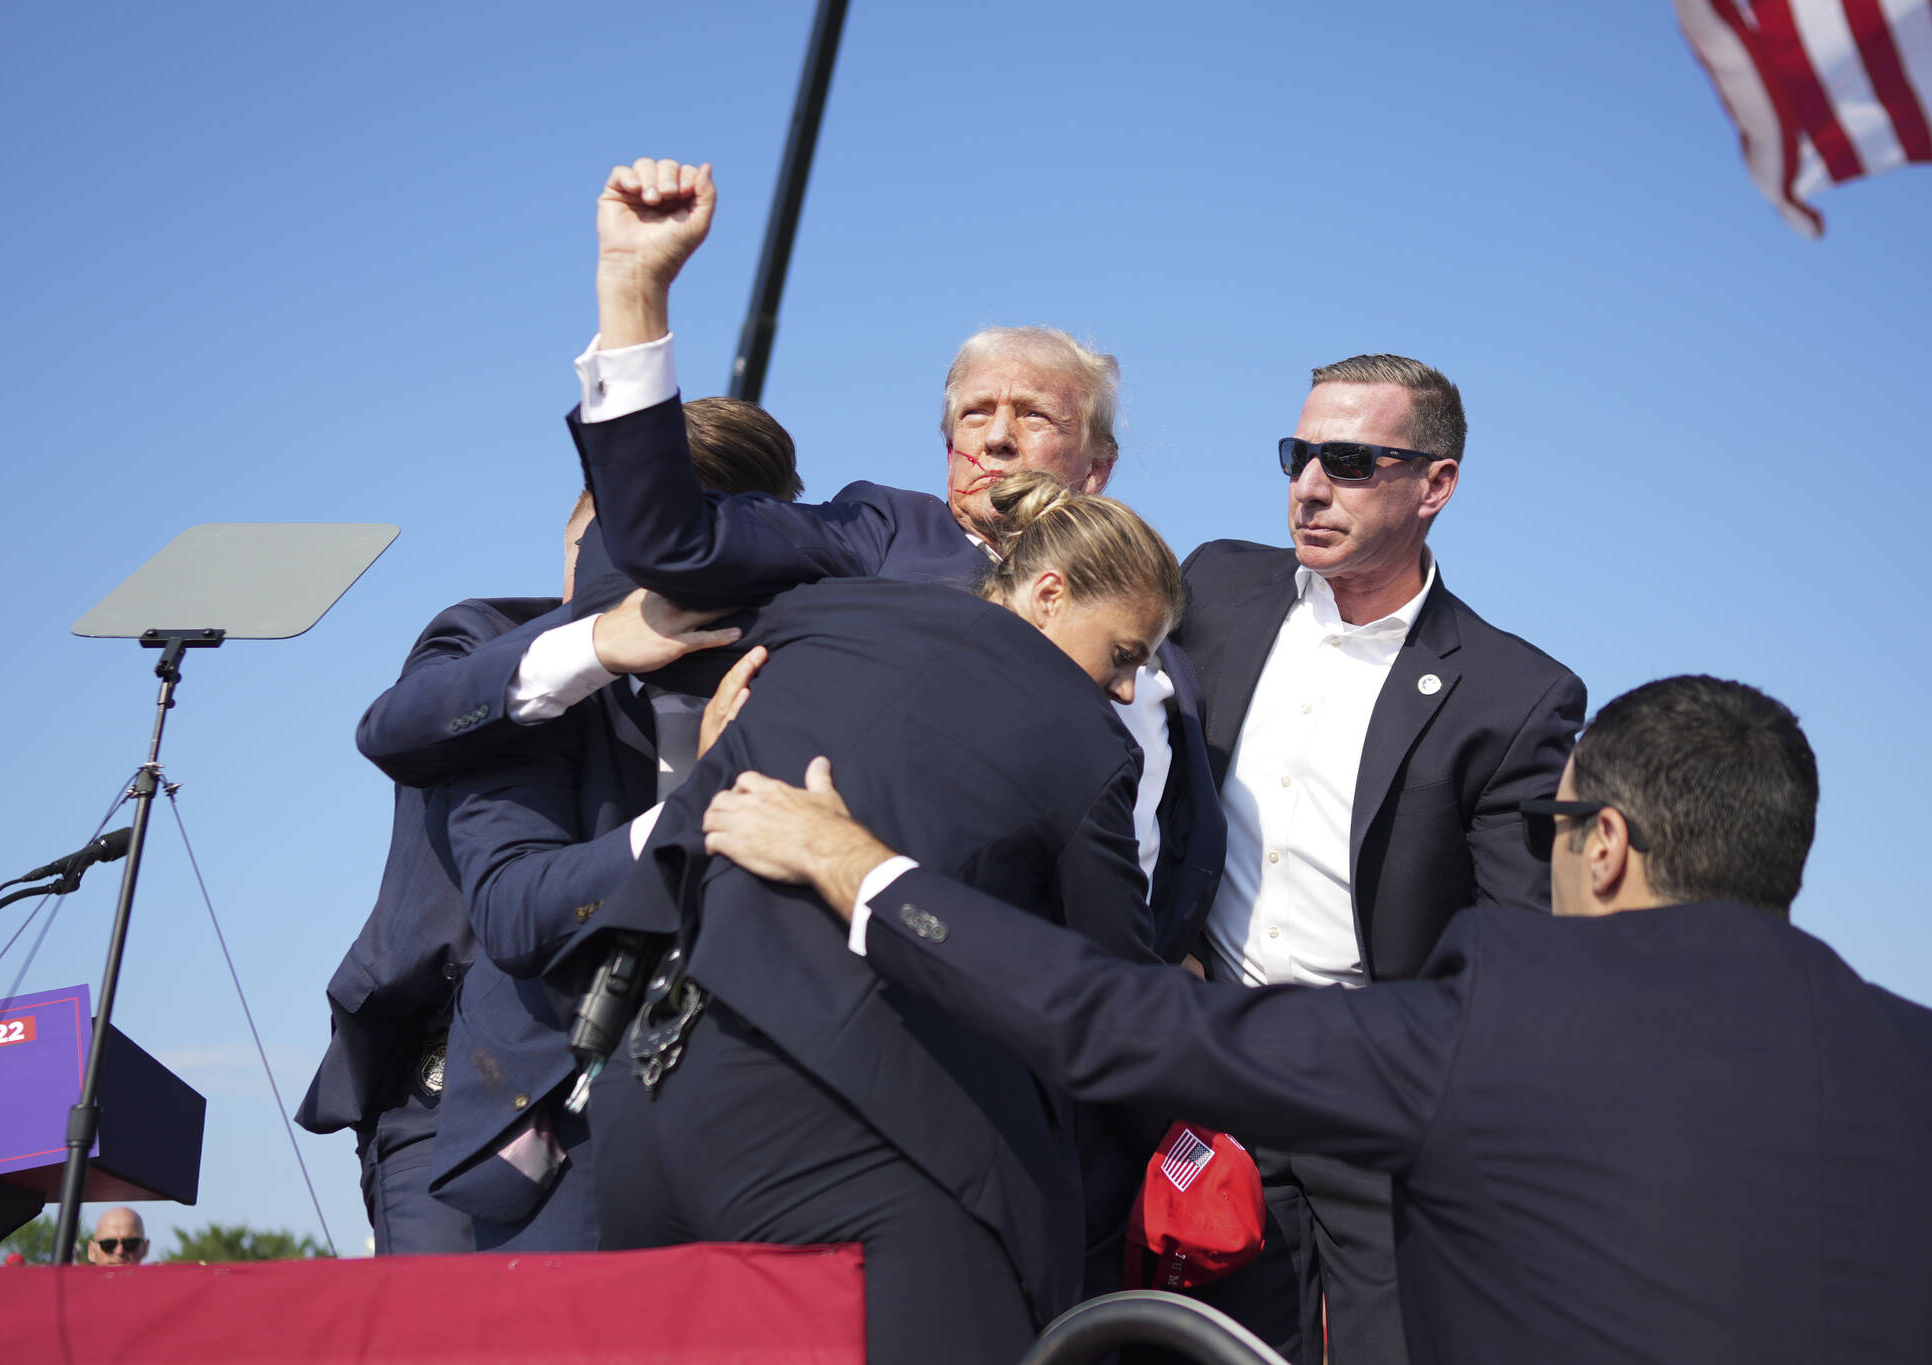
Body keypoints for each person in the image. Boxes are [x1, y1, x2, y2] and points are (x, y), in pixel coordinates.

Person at [702, 674, 1932, 1365]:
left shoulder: (1504, 1018)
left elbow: (1116, 1023)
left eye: (1546, 831)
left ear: (1603, 845)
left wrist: (857, 870)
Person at [562, 474, 1182, 1365]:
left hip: (646, 1101)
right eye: (1125, 652)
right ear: (1049, 594)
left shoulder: (824, 616)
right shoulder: (1085, 738)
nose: (1126, 689)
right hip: (864, 1129)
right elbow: (1116, 1007)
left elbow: (633, 573)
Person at [296, 398, 798, 1254]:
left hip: (691, 1103)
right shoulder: (497, 643)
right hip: (469, 1104)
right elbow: (394, 727)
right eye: (606, 547)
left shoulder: (778, 676)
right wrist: (601, 643)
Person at [1166, 354, 1586, 1361]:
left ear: (1433, 485)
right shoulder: (1212, 587)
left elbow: (1512, 938)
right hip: (1198, 1066)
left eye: (1348, 462)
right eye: (1297, 455)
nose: (1308, 486)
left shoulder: (1513, 694)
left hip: (1374, 1098)